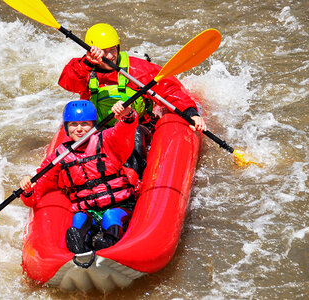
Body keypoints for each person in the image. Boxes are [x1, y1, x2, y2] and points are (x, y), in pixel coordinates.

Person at [58, 23, 207, 177]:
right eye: (104, 52)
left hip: (138, 125)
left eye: (112, 50)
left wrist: (191, 113)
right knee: (91, 147)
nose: (109, 56)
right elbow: (67, 83)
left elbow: (169, 90)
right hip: (99, 127)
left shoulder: (137, 69)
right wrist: (87, 63)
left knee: (134, 135)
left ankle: (132, 179)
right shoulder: (83, 68)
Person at [19, 100, 138, 254]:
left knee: (110, 216)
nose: (80, 129)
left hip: (119, 204)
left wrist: (126, 114)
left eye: (85, 124)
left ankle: (108, 246)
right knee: (79, 220)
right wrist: (27, 190)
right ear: (67, 128)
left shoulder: (107, 139)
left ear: (93, 125)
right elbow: (37, 192)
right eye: (74, 124)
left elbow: (124, 131)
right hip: (88, 209)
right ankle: (81, 249)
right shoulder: (59, 157)